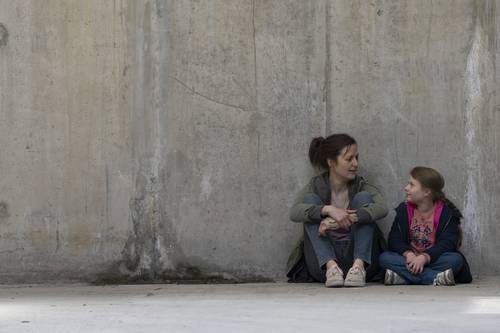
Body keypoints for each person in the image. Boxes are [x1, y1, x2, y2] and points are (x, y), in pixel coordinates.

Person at [287, 134, 388, 287]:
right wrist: (328, 209)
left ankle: (358, 268)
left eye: (356, 158)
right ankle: (331, 267)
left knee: (364, 199)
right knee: (310, 204)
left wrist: (344, 220)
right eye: (349, 159)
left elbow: (382, 208)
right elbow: (294, 212)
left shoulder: (360, 185)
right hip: (323, 265)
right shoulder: (316, 185)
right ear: (331, 162)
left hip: (360, 261)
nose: (355, 163)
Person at [380, 166, 472, 285]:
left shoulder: (446, 212)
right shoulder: (404, 210)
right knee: (384, 258)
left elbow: (448, 243)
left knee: (455, 260)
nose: (406, 188)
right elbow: (394, 240)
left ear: (427, 192)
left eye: (411, 185)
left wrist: (424, 258)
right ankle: (435, 277)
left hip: (433, 260)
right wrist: (409, 254)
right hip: (409, 259)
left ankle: (403, 277)